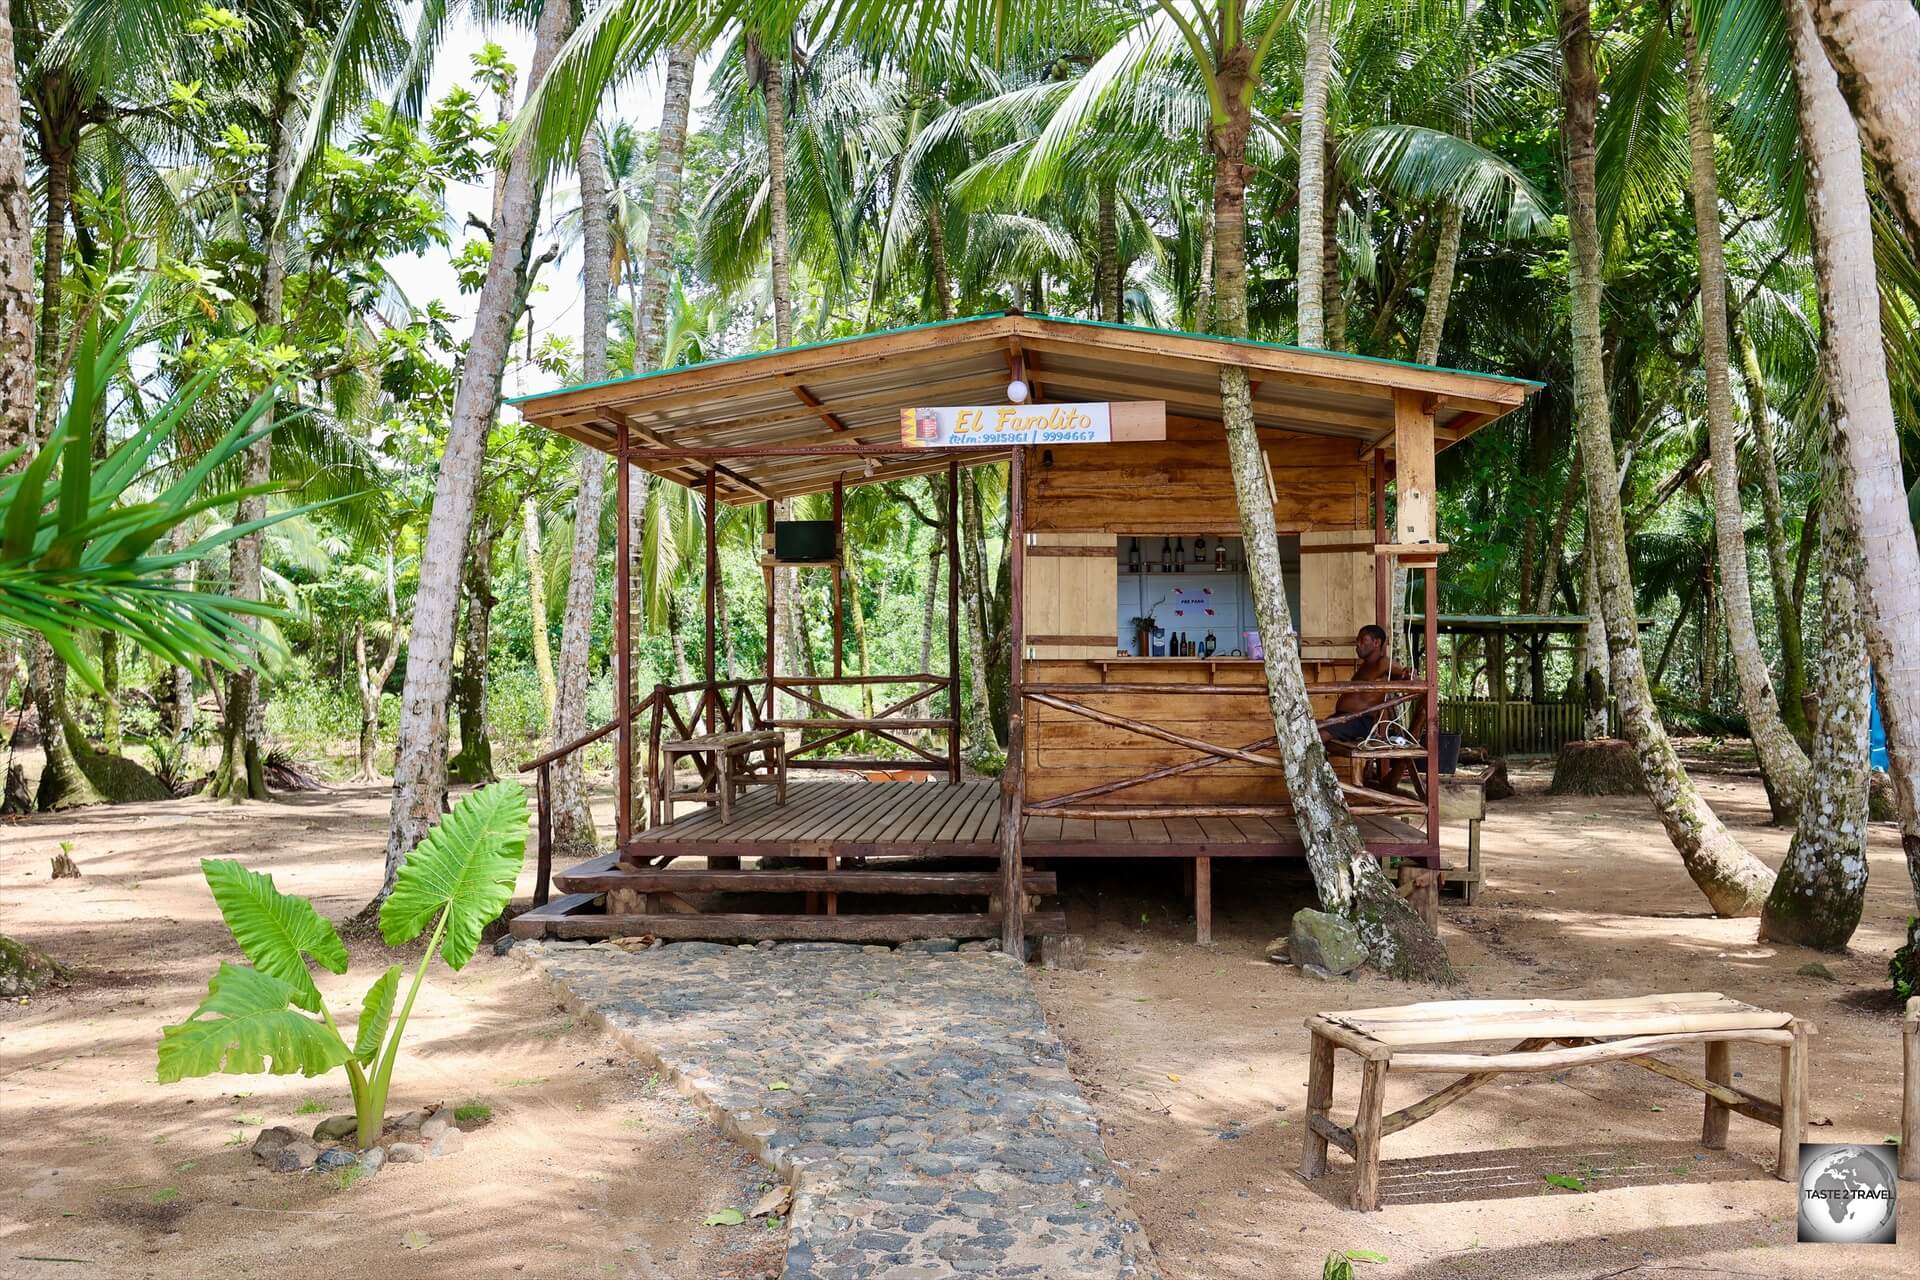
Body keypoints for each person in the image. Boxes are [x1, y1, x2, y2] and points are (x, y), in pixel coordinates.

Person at [1321, 626, 1426, 787]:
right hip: (1344, 719)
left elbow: (1413, 679)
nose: (1357, 644)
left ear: (1376, 642)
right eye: (1357, 641)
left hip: (1359, 721)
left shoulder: (1383, 663)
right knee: (1312, 731)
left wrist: (1407, 675)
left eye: (1362, 640)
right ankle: (1321, 779)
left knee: (1318, 735)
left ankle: (1320, 782)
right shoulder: (1365, 666)